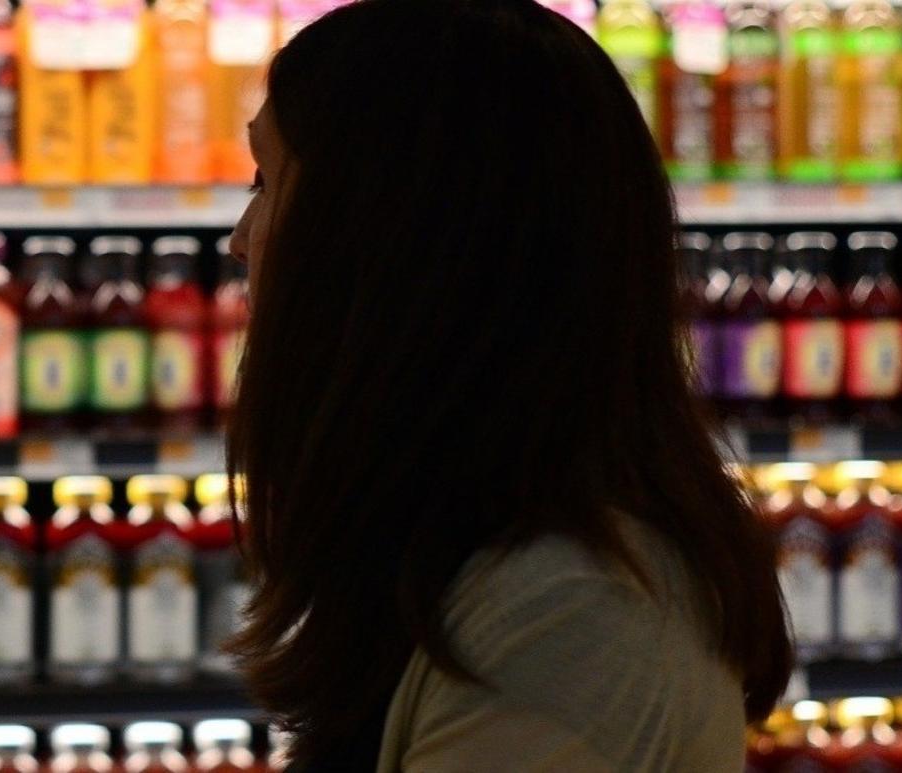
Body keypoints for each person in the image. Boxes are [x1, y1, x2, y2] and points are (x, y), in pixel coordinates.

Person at [225, 0, 792, 770]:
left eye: (266, 179)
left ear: (387, 244)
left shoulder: (567, 623)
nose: (238, 241)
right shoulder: (471, 555)